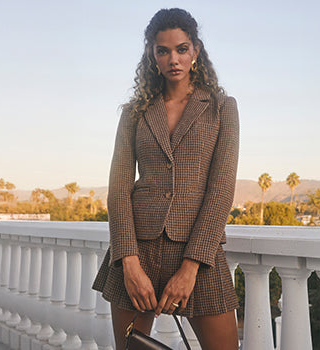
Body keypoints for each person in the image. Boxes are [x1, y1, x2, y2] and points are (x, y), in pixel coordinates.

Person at [91, 8, 240, 350]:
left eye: (182, 49)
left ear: (195, 51)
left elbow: (221, 191)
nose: (173, 59)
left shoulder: (221, 107)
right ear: (152, 54)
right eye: (163, 50)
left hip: (198, 254)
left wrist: (190, 268)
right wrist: (128, 263)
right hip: (137, 251)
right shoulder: (134, 112)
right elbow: (118, 191)